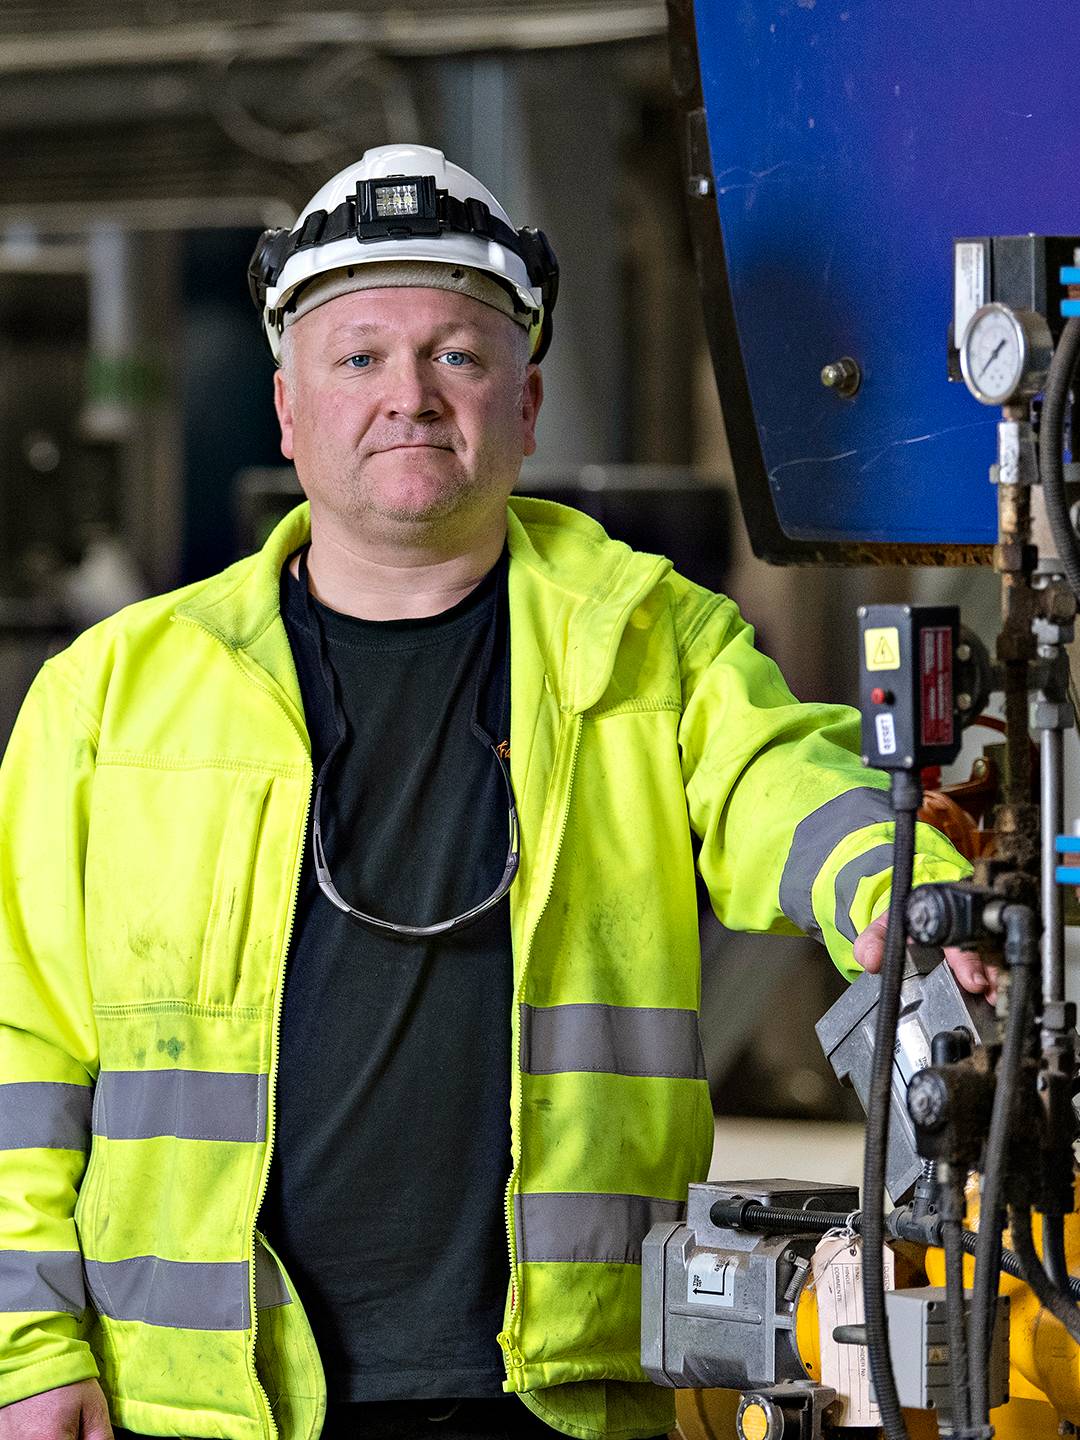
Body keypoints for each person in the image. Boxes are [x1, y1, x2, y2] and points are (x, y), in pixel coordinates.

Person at [0, 145, 986, 1440]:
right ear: (289, 413)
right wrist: (26, 1346)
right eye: (358, 358)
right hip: (200, 1402)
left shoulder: (648, 640)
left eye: (455, 355)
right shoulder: (113, 695)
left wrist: (902, 890)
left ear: (523, 405)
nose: (408, 395)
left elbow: (780, 777)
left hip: (555, 1395)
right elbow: (23, 1052)